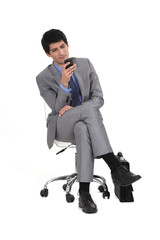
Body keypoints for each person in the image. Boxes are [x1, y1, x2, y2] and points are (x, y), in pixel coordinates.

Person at [36, 29, 141, 214]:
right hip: (61, 125)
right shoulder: (43, 78)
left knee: (83, 128)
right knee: (87, 111)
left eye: (63, 46)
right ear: (47, 54)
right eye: (55, 50)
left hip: (85, 123)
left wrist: (79, 110)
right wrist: (64, 84)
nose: (61, 53)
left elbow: (99, 98)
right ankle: (115, 167)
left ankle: (84, 194)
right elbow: (56, 108)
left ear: (67, 45)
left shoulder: (85, 64)